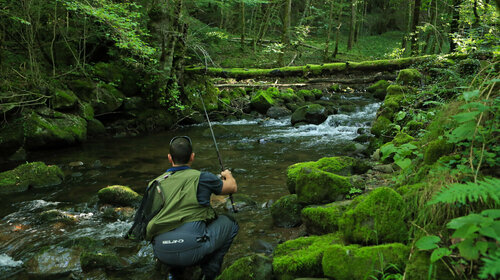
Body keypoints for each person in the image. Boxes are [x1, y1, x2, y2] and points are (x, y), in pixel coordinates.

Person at [146, 135, 239, 280]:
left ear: (170, 158)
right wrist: (228, 175)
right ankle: (210, 272)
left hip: (161, 252)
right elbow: (232, 187)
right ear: (192, 157)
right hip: (191, 250)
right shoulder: (202, 177)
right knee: (230, 223)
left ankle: (174, 273)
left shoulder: (154, 184)